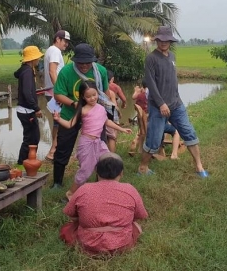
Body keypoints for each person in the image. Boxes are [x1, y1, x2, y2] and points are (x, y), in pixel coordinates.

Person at [138, 26, 208, 177]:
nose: (163, 42)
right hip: (158, 107)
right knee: (154, 140)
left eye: (166, 40)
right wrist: (161, 103)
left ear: (170, 41)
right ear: (157, 40)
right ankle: (143, 168)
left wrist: (176, 99)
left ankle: (199, 166)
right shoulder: (151, 58)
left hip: (176, 104)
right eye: (160, 40)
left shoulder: (172, 57)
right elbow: (151, 83)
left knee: (188, 132)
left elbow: (173, 81)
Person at [53, 81, 132, 200]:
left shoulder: (101, 108)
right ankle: (70, 194)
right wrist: (58, 119)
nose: (92, 98)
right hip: (86, 144)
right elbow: (70, 124)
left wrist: (121, 129)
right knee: (85, 170)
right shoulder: (83, 110)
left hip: (99, 143)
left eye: (94, 95)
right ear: (83, 97)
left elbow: (106, 121)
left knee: (108, 162)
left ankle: (102, 189)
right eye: (88, 96)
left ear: (98, 93)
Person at [60, 153, 148, 255]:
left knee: (68, 228)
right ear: (121, 173)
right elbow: (140, 216)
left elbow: (71, 214)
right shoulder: (130, 189)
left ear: (96, 171)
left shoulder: (84, 189)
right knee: (135, 226)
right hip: (121, 244)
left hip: (88, 244)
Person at [52, 43, 112, 189]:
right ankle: (57, 182)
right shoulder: (66, 72)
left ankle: (101, 181)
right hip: (70, 114)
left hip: (95, 117)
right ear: (74, 60)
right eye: (80, 63)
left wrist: (110, 109)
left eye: (87, 62)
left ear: (93, 60)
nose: (84, 66)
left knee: (100, 147)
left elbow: (105, 92)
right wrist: (75, 105)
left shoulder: (101, 71)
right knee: (63, 148)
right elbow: (58, 94)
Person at [14, 46, 44, 169]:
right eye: (37, 57)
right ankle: (23, 163)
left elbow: (28, 90)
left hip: (25, 110)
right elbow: (26, 92)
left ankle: (28, 161)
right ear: (32, 59)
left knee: (33, 137)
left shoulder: (25, 70)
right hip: (27, 111)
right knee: (31, 138)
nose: (38, 60)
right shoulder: (27, 72)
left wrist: (35, 91)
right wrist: (36, 108)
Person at [44, 30, 70, 161]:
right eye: (65, 41)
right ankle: (52, 152)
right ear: (58, 39)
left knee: (56, 123)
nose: (66, 45)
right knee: (60, 122)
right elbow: (52, 71)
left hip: (51, 92)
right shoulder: (55, 51)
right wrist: (58, 92)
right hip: (55, 93)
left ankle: (53, 150)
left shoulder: (50, 50)